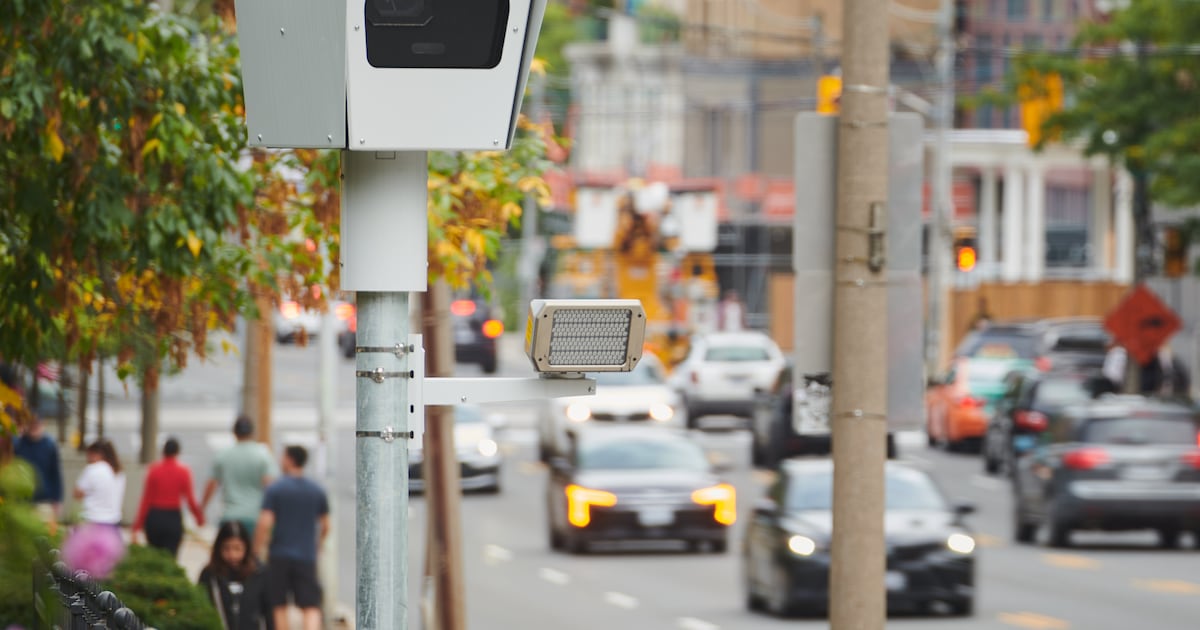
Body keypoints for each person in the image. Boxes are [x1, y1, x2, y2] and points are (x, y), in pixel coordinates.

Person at [255, 445, 329, 630]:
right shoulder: (316, 490)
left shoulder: (275, 489)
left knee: (279, 604)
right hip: (306, 555)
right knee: (310, 605)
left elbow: (265, 522)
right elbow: (326, 525)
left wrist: (257, 549)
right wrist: (318, 545)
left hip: (279, 553)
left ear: (289, 460)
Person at [202, 415, 276, 541]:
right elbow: (270, 486)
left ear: (234, 433)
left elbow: (211, 485)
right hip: (254, 517)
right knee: (252, 552)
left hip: (229, 516)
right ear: (253, 432)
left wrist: (201, 509)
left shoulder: (223, 454)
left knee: (228, 552)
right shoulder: (263, 454)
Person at [132, 437, 204, 557]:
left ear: (163, 452)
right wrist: (199, 518)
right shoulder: (183, 472)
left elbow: (146, 499)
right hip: (173, 518)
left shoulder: (154, 470)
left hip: (154, 517)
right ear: (177, 452)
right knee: (171, 557)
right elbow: (190, 499)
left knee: (154, 556)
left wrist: (137, 526)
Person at [200, 520, 273, 630]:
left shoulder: (259, 573)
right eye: (226, 548)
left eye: (237, 548)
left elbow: (270, 613)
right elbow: (200, 608)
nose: (232, 555)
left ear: (246, 548)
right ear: (218, 548)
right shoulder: (210, 575)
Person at [13, 414, 63, 533]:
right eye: (31, 424)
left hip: (44, 499)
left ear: (43, 424)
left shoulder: (49, 445)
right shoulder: (19, 444)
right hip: (22, 500)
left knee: (44, 533)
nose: (34, 427)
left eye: (37, 424)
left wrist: (57, 499)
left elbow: (55, 474)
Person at [74, 439, 125, 528]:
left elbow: (77, 493)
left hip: (92, 520)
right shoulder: (119, 472)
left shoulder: (93, 469)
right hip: (114, 522)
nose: (87, 459)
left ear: (97, 454)